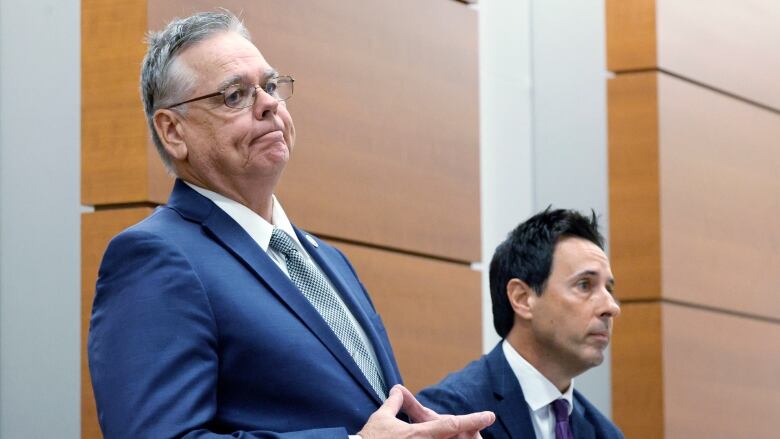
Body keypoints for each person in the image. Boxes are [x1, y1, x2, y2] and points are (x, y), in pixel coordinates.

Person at [87, 10, 494, 439]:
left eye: (271, 86)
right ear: (173, 132)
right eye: (233, 96)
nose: (268, 104)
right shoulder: (155, 257)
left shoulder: (328, 260)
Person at [417, 208, 624, 439]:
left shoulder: (604, 433)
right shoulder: (449, 417)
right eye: (585, 285)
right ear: (522, 299)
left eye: (609, 289)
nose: (612, 307)